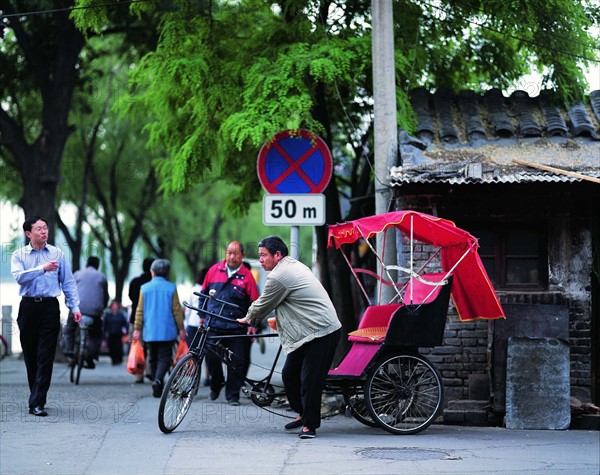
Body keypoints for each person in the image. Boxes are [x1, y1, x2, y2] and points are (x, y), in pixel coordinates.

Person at [237, 236, 341, 439]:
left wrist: (248, 318)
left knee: (309, 380)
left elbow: (263, 304)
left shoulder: (280, 275)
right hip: (308, 332)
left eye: (263, 255)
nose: (260, 260)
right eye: (259, 256)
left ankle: (310, 426)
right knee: (289, 375)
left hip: (322, 331)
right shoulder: (290, 266)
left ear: (278, 255)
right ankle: (303, 413)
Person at [10, 216, 82, 417]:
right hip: (28, 308)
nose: (44, 231)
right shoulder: (19, 255)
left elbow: (68, 282)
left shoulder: (57, 254)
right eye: (39, 229)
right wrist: (42, 269)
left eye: (45, 228)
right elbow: (19, 278)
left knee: (45, 355)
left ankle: (37, 401)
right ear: (28, 233)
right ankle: (36, 393)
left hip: (50, 308)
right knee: (31, 355)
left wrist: (74, 307)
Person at [203, 241, 259, 405]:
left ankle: (232, 395)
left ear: (242, 256)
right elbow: (203, 295)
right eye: (229, 253)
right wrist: (201, 316)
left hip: (237, 327)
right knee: (211, 358)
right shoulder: (214, 270)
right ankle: (217, 382)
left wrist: (252, 324)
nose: (232, 256)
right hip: (214, 325)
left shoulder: (247, 276)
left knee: (237, 362)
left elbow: (255, 303)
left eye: (235, 253)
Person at [133, 259, 186, 398]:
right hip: (166, 330)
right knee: (165, 357)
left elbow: (139, 310)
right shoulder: (171, 287)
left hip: (150, 330)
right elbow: (177, 310)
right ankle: (158, 380)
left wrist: (137, 329)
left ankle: (156, 381)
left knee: (153, 356)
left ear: (153, 272)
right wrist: (181, 329)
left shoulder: (144, 288)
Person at [63, 256, 109, 368]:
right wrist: (102, 308)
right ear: (97, 265)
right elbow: (105, 297)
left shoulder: (77, 274)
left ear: (86, 264)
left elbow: (69, 289)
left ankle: (69, 350)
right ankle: (91, 355)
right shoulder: (101, 277)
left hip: (77, 309)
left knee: (69, 330)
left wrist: (68, 304)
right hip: (94, 312)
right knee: (96, 334)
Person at [128, 256, 153, 382]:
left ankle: (139, 374)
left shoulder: (134, 282)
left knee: (138, 345)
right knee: (150, 345)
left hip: (135, 318)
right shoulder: (153, 282)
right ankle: (150, 370)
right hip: (151, 319)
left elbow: (131, 297)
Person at [184, 267, 210, 385]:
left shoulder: (193, 290)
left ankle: (193, 377)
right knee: (206, 352)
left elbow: (187, 311)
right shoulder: (210, 291)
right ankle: (207, 376)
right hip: (205, 325)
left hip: (192, 324)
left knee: (193, 353)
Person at [102, 300, 129, 365]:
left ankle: (118, 359)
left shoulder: (120, 315)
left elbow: (125, 324)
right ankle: (113, 359)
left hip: (118, 333)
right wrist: (104, 334)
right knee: (111, 347)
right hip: (110, 334)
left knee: (118, 347)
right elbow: (105, 325)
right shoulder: (108, 315)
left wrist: (126, 332)